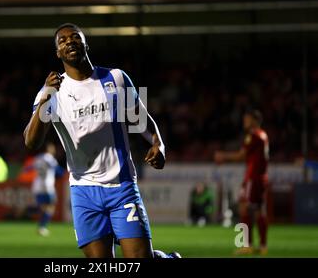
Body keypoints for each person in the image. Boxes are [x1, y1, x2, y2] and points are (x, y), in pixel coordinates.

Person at [24, 23, 179, 258]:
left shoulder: (115, 77)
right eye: (62, 40)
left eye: (75, 37)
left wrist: (159, 143)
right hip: (83, 190)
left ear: (86, 43)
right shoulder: (51, 93)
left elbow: (141, 118)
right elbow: (31, 142)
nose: (69, 41)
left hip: (122, 185)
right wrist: (46, 97)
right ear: (57, 53)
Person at [214, 109, 269, 255]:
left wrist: (223, 157)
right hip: (260, 177)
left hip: (253, 178)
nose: (244, 122)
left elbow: (241, 155)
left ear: (254, 120)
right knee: (258, 210)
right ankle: (262, 246)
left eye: (247, 119)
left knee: (244, 208)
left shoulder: (253, 135)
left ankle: (247, 245)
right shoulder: (263, 135)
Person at [31, 142, 61, 236]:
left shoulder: (37, 158)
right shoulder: (49, 158)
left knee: (44, 207)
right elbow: (57, 170)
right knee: (50, 207)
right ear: (49, 149)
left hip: (37, 184)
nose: (54, 150)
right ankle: (42, 227)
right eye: (52, 148)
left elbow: (30, 168)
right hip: (47, 186)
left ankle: (41, 226)